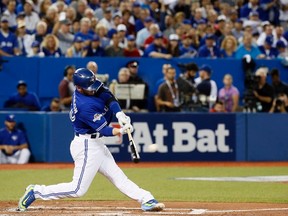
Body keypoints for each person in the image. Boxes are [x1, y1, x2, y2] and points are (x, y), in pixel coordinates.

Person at [17, 68, 165, 212]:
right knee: (77, 189)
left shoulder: (91, 85)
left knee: (119, 177)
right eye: (89, 87)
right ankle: (36, 191)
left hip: (96, 143)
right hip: (87, 146)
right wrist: (121, 130)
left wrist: (120, 114)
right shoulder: (84, 106)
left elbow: (108, 97)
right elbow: (105, 130)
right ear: (79, 88)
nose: (93, 89)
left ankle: (146, 198)